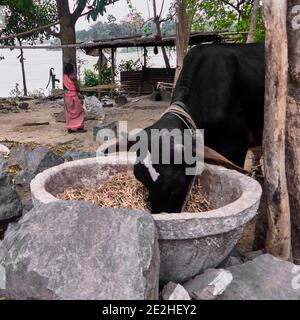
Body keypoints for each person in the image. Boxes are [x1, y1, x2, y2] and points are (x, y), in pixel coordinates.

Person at [63, 62, 86, 133]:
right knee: (80, 112)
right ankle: (79, 127)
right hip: (74, 97)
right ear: (72, 69)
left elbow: (64, 88)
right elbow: (77, 88)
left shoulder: (64, 77)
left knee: (69, 113)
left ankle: (70, 128)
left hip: (67, 97)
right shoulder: (73, 78)